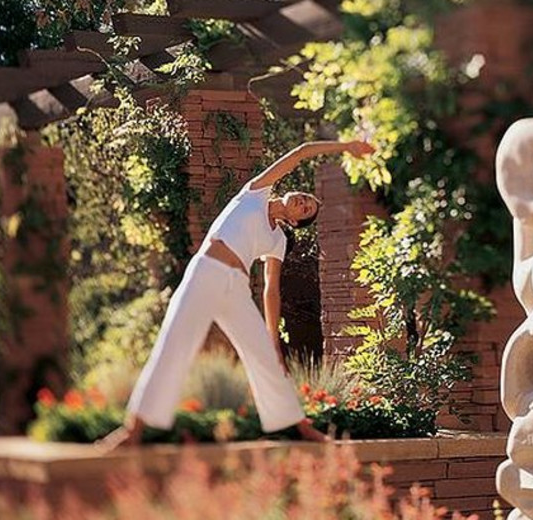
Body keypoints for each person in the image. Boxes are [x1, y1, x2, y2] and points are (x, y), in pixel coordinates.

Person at [101, 139, 375, 448]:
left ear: (296, 221)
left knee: (265, 358)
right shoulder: (255, 193)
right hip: (206, 272)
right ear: (290, 192)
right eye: (305, 197)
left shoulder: (278, 242)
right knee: (175, 341)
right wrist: (345, 147)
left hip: (236, 289)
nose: (303, 201)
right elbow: (300, 152)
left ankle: (301, 427)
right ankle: (132, 430)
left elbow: (272, 290)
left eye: (307, 208)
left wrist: (273, 340)